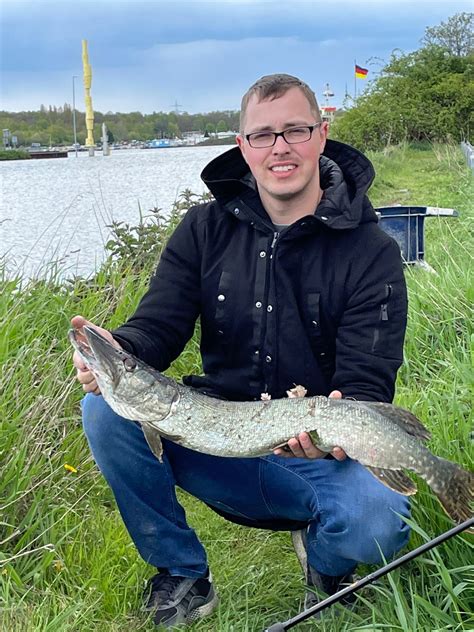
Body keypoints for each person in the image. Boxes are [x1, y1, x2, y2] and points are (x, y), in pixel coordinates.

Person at [72, 73, 410, 628]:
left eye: (295, 131)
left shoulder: (371, 251)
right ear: (243, 147)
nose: (280, 147)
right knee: (105, 406)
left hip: (314, 457)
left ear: (322, 136)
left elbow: (368, 385)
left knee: (379, 516)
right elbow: (157, 326)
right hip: (217, 442)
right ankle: (180, 573)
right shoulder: (204, 229)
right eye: (263, 135)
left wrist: (328, 439)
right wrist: (118, 347)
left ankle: (327, 567)